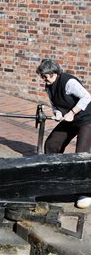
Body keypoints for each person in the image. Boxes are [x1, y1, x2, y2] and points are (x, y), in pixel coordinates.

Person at [36, 59, 91, 208]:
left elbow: (87, 97)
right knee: (52, 144)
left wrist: (72, 112)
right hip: (70, 120)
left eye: (46, 76)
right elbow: (55, 104)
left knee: (81, 154)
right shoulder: (49, 87)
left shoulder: (68, 82)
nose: (44, 80)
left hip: (87, 119)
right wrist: (58, 113)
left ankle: (85, 191)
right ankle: (54, 177)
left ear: (54, 73)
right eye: (43, 77)